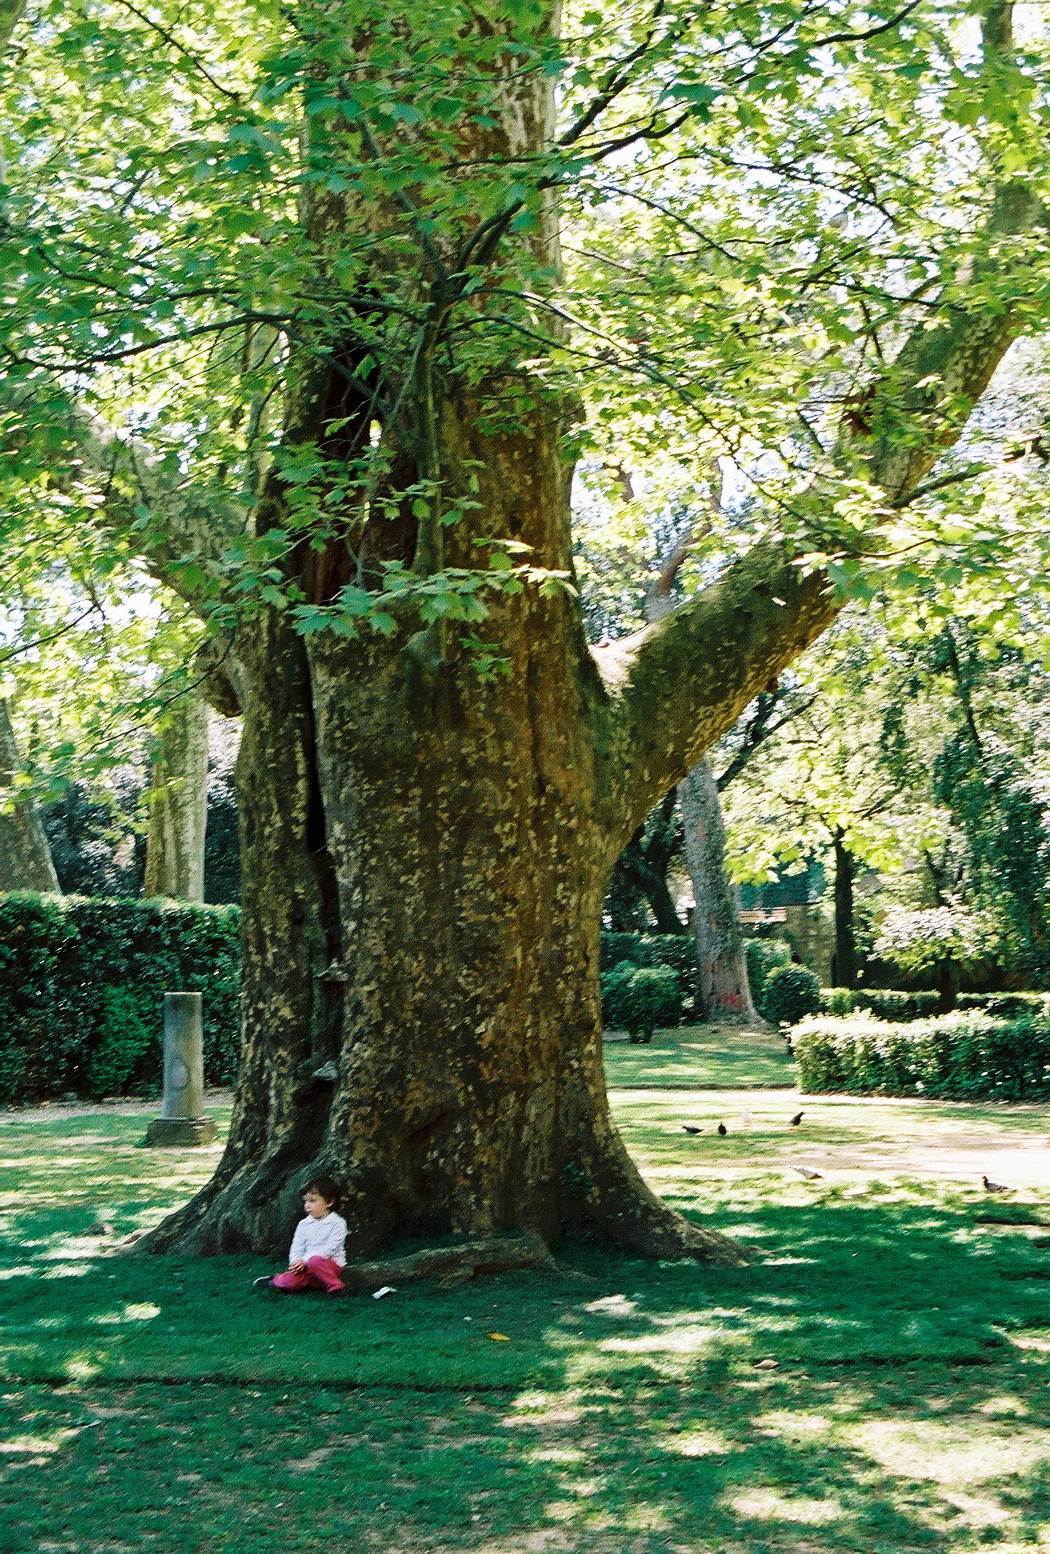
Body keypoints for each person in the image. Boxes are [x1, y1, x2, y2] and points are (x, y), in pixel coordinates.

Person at [253, 1176, 348, 1296]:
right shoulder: (304, 1224)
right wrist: (296, 1262)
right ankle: (275, 1280)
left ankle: (335, 1288)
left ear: (329, 1202)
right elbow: (297, 1246)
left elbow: (330, 1248)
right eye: (306, 1201)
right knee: (288, 1281)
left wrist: (305, 1260)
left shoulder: (337, 1223)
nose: (307, 1205)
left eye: (313, 1201)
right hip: (306, 1267)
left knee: (315, 1261)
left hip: (328, 1266)